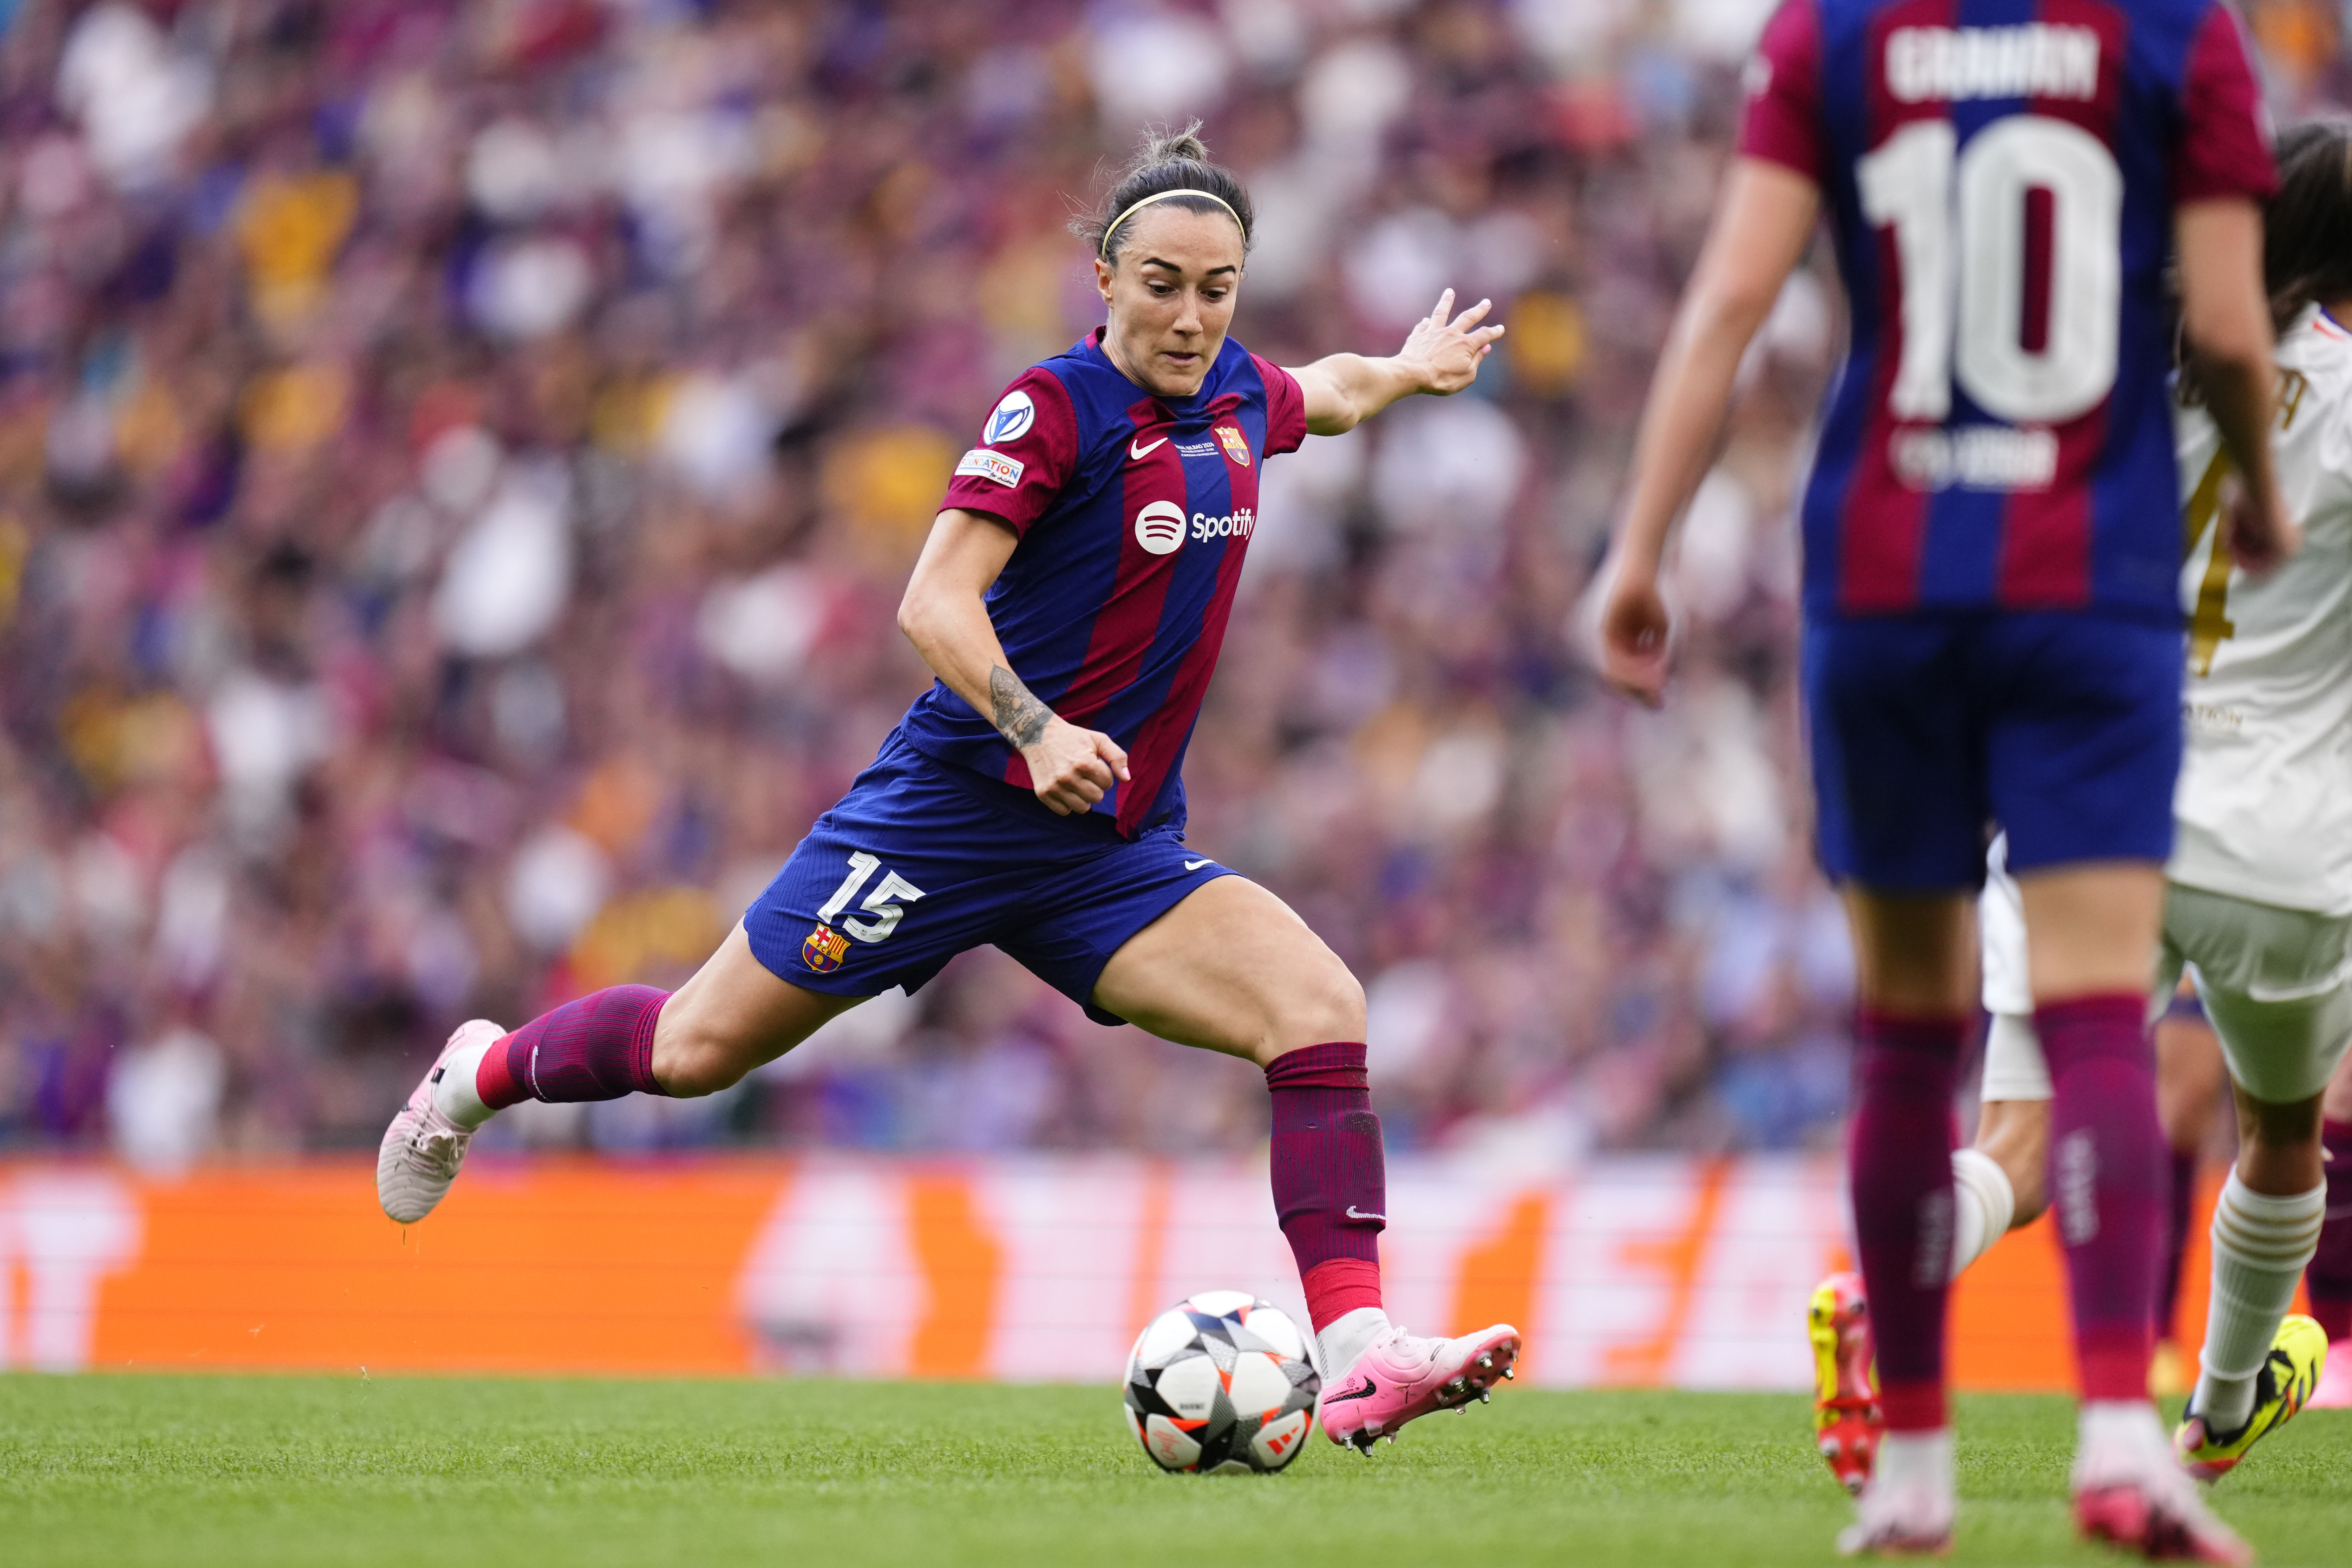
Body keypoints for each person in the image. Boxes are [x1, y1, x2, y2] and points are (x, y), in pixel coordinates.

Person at [375, 127, 1516, 1452]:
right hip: (951, 817)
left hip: (1106, 850)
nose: (1190, 317)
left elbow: (1328, 390)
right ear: (1105, 276)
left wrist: (1409, 369)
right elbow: (933, 600)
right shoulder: (1055, 408)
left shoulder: (1240, 398)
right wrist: (1036, 731)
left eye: (1217, 290)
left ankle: (1362, 1353)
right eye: (1162, 285)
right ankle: (479, 1073)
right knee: (693, 1052)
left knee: (1320, 1008)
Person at [1596, 2, 2289, 1559]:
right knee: (2102, 1024)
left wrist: (1640, 550)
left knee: (1909, 1041)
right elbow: (2235, 330)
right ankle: (2122, 1443)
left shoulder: (1832, 28)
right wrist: (2253, 491)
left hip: (1883, 579)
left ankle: (1913, 1471)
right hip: (2089, 584)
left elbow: (1732, 299)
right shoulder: (2179, 31)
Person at [1816, 118, 2352, 1498]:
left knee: (2016, 1143)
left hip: (2094, 799)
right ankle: (2218, 1408)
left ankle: (1880, 1292)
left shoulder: (2123, 378)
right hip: (2288, 847)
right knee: (2280, 1139)